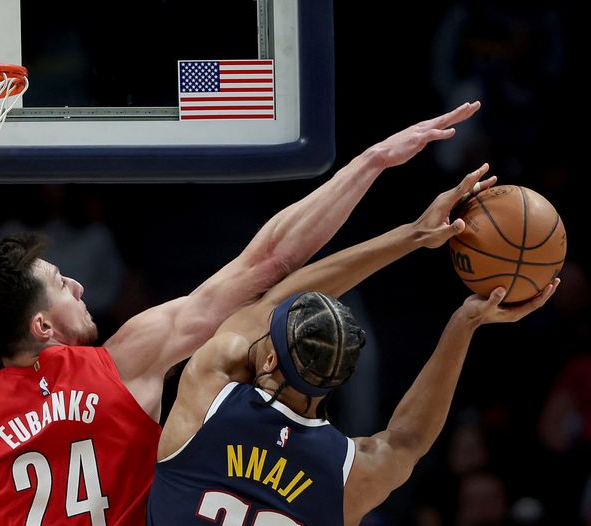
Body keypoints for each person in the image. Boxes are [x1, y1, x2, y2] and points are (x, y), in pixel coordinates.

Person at [0, 101, 481, 525]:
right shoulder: (127, 359)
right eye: (58, 282)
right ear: (43, 328)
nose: (76, 282)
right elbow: (271, 260)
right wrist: (371, 162)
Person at [145, 192, 558, 525]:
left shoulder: (209, 390)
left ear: (269, 361)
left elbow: (273, 299)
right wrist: (464, 323)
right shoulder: (347, 473)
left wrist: (414, 233)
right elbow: (408, 439)